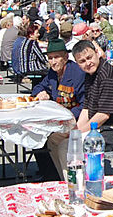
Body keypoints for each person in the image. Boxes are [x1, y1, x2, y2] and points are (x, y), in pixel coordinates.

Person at [33, 39, 87, 176]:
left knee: (51, 139)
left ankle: (62, 177)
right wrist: (40, 92)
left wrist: (66, 114)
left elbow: (84, 104)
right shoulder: (52, 73)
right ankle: (50, 174)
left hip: (74, 120)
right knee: (35, 135)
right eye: (50, 58)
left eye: (56, 57)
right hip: (57, 119)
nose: (53, 62)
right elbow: (40, 85)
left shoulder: (77, 74)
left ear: (65, 57)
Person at [72, 40, 113, 142]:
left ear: (97, 53)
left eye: (89, 57)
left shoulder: (107, 76)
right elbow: (86, 107)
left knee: (67, 146)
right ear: (77, 63)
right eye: (82, 61)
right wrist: (76, 130)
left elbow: (103, 115)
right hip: (96, 123)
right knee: (55, 139)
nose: (88, 63)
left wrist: (77, 133)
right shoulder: (90, 74)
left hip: (111, 127)